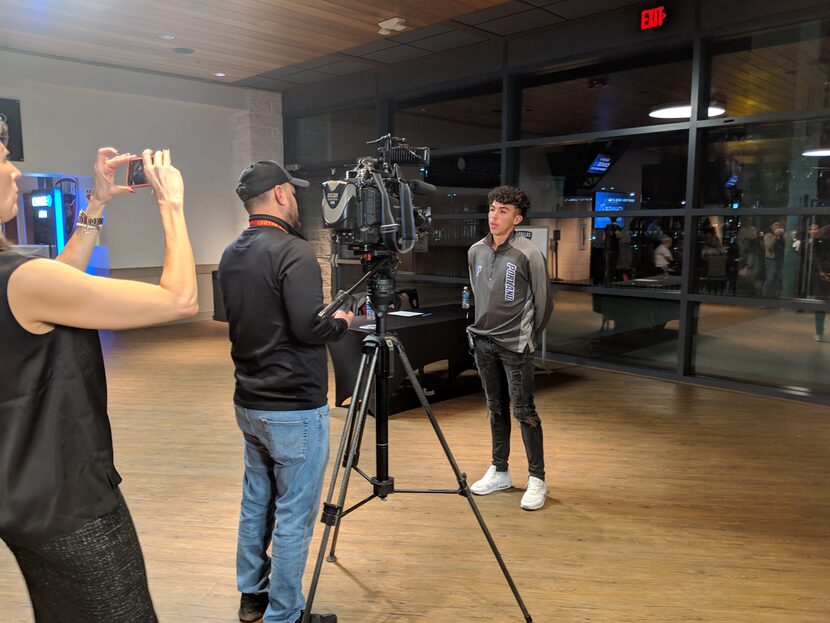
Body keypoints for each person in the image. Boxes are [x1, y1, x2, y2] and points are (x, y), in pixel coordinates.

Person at [0, 124, 198, 621]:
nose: (15, 171)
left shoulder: (21, 281)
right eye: (2, 158)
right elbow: (180, 300)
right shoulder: (22, 279)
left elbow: (57, 287)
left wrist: (97, 204)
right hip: (71, 503)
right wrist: (170, 205)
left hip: (22, 497)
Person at [218, 160, 354, 623]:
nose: (297, 200)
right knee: (295, 514)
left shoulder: (231, 253)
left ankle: (252, 597)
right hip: (294, 407)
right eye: (293, 193)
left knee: (257, 500)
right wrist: (343, 323)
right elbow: (307, 326)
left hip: (250, 402)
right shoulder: (293, 252)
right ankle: (285, 614)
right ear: (279, 195)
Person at [466, 185, 553, 511]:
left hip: (516, 346)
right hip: (483, 342)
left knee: (524, 412)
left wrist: (526, 335)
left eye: (503, 211)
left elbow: (544, 305)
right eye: (492, 209)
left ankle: (537, 478)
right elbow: (480, 294)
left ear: (517, 218)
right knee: (495, 409)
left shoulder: (529, 253)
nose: (494, 216)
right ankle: (499, 470)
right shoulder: (475, 250)